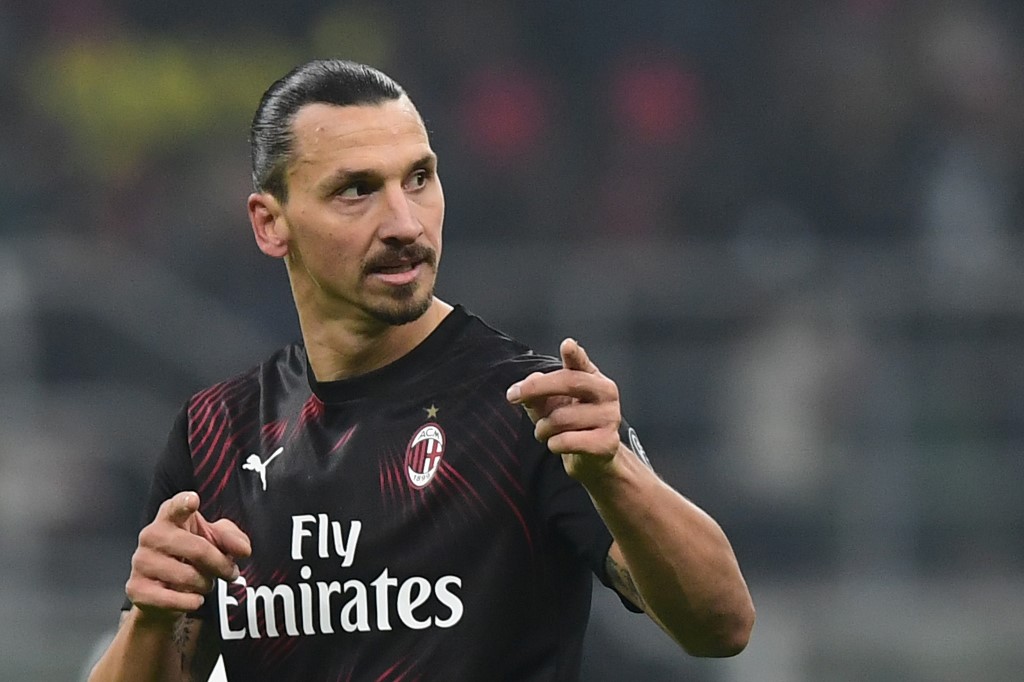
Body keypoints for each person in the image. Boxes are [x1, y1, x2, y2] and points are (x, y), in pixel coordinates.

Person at [87, 59, 754, 681]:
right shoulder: (217, 434)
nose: (404, 222)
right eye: (356, 190)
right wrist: (150, 616)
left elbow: (721, 626)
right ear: (271, 223)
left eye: (418, 179)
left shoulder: (529, 405)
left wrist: (616, 474)